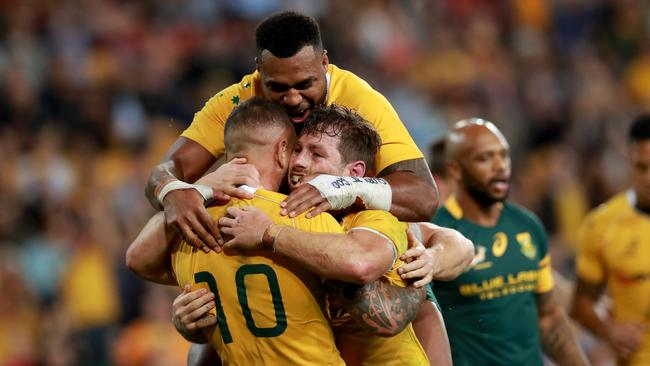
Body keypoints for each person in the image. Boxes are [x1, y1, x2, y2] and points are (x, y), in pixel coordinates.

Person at [144, 11, 438, 253]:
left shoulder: (360, 99)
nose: (293, 98)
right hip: (263, 238)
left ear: (324, 62)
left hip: (346, 241)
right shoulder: (236, 101)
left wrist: (342, 189)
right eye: (278, 88)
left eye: (305, 84)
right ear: (259, 70)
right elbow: (168, 170)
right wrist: (173, 191)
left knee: (418, 295)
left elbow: (423, 197)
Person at [218, 104, 474, 365]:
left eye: (316, 154)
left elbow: (457, 244)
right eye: (297, 150)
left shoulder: (374, 218)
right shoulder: (277, 213)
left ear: (354, 174)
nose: (299, 162)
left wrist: (432, 260)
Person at [129, 97, 346, 365]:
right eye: (295, 151)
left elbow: (137, 260)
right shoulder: (305, 215)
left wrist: (200, 189)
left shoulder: (189, 231)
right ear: (281, 150)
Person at [430, 118, 588, 366]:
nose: (500, 166)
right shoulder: (437, 233)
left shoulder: (527, 225)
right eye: (485, 158)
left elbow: (548, 318)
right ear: (456, 170)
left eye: (504, 156)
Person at [571, 114, 650, 365]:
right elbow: (581, 305)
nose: (649, 178)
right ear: (629, 160)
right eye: (642, 167)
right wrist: (609, 330)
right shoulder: (602, 225)